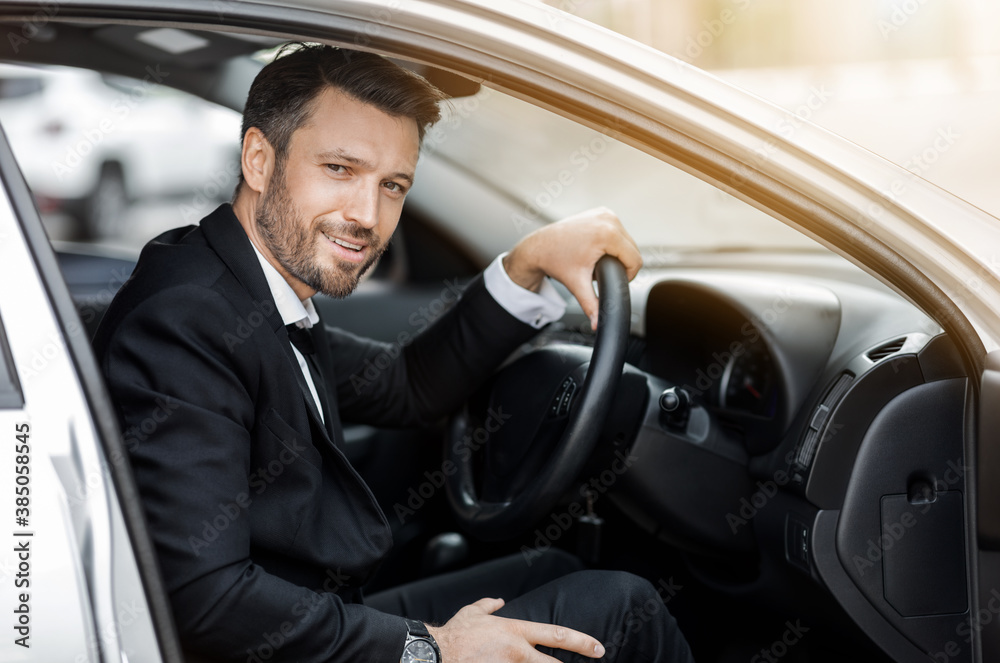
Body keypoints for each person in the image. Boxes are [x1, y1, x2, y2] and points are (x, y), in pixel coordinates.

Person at [93, 43, 693, 663]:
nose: (367, 215)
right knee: (622, 609)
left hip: (310, 620)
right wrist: (432, 649)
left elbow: (405, 385)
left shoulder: (250, 282)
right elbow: (206, 601)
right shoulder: (189, 319)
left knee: (553, 568)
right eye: (339, 169)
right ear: (259, 159)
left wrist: (528, 261)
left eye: (393, 185)